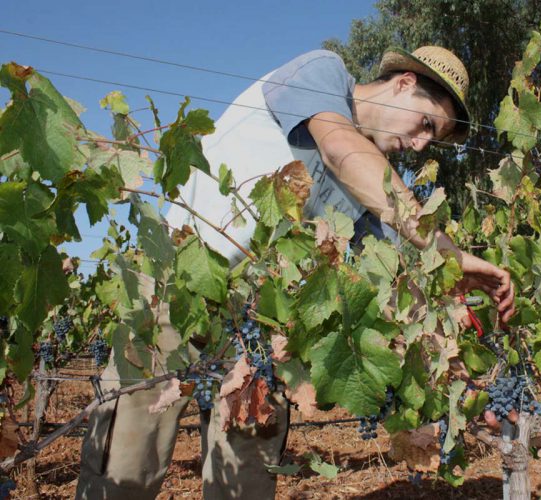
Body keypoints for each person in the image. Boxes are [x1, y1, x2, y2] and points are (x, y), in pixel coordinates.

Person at [76, 46, 515, 499]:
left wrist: (466, 388)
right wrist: (447, 250)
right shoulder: (325, 74)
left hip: (262, 326)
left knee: (245, 480)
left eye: (433, 140)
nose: (421, 144)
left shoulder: (371, 209)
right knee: (125, 465)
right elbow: (341, 148)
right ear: (403, 82)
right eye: (426, 124)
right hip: (176, 290)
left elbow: (401, 296)